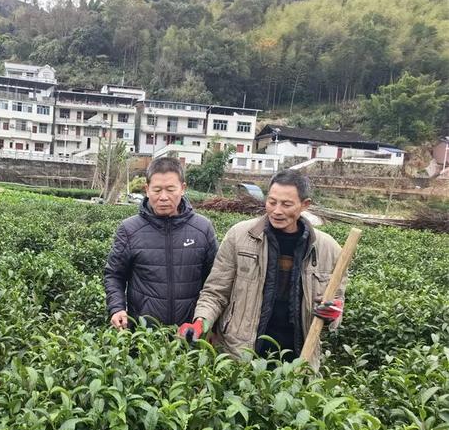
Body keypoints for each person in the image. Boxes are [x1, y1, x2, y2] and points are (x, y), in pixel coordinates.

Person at [178, 170, 346, 370]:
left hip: (299, 357)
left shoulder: (329, 249)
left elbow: (336, 303)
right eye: (272, 202)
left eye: (286, 204)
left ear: (305, 205)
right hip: (241, 353)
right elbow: (216, 291)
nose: (276, 210)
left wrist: (333, 313)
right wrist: (201, 322)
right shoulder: (239, 236)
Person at [104, 156, 218, 328]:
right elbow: (114, 275)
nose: (163, 197)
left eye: (170, 189)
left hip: (190, 332)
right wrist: (117, 307)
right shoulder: (129, 229)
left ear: (183, 188)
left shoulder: (203, 228)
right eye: (157, 190)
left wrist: (207, 323)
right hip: (143, 334)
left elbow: (214, 282)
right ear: (147, 189)